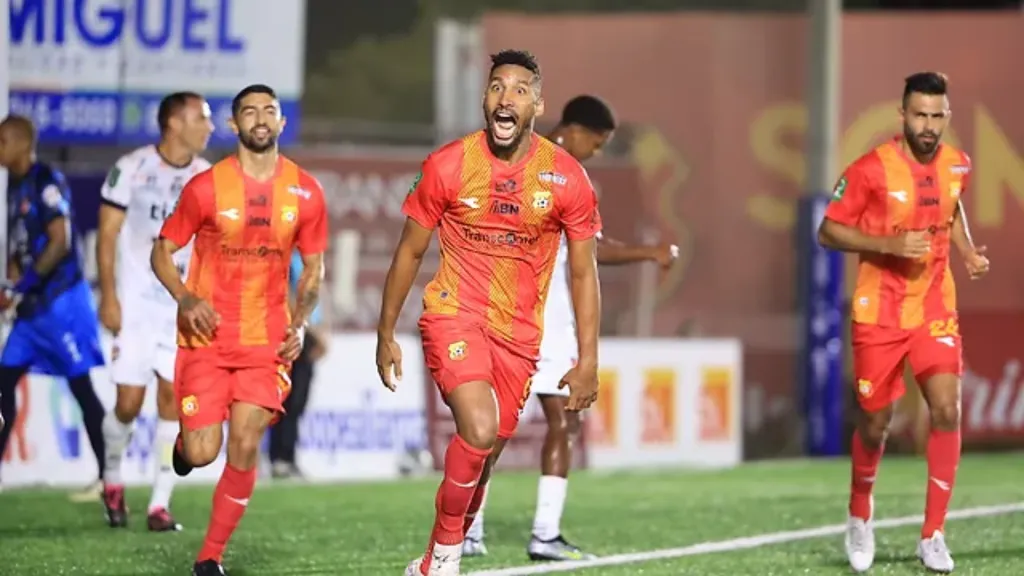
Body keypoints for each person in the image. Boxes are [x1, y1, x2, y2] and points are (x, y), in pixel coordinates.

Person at [375, 49, 603, 576]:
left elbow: (584, 272)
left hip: (520, 337)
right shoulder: (449, 165)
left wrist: (588, 358)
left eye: (520, 90)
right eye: (497, 87)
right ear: (484, 99)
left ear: (538, 105)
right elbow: (409, 251)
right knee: (478, 429)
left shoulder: (565, 177)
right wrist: (386, 331)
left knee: (487, 450)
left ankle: (432, 559)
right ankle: (447, 560)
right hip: (455, 314)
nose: (507, 97)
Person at [462, 95, 677, 561]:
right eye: (596, 143)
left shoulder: (574, 179)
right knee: (494, 430)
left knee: (566, 421)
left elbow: (590, 250)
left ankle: (544, 532)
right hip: (512, 317)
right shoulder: (522, 163)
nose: (596, 152)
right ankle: (468, 526)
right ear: (575, 129)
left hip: (555, 322)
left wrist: (647, 252)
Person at [150, 84, 328, 576]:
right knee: (204, 452)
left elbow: (313, 269)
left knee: (246, 441)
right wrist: (185, 297)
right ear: (234, 126)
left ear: (281, 122)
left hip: (264, 344)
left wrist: (302, 322)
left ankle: (209, 557)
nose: (260, 118)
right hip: (205, 342)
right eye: (249, 112)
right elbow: (161, 251)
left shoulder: (305, 191)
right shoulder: (206, 187)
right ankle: (186, 448)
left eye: (269, 110)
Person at [817, 72, 989, 574]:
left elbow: (952, 210)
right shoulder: (870, 169)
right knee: (876, 423)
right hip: (880, 313)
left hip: (935, 306)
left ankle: (932, 534)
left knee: (948, 410)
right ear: (903, 115)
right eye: (920, 115)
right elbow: (828, 230)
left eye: (938, 116)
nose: (929, 125)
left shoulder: (959, 164)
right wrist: (890, 245)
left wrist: (967, 251)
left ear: (947, 117)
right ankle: (859, 514)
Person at [97, 91, 214, 531]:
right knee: (128, 402)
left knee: (173, 401)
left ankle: (159, 504)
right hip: (136, 302)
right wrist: (109, 296)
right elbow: (106, 236)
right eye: (201, 118)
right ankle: (112, 478)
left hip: (180, 307)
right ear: (174, 123)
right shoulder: (132, 168)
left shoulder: (207, 177)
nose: (209, 126)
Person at [0, 115, 107, 492]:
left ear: (19, 143)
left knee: (80, 387)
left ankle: (108, 477)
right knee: (3, 381)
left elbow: (59, 241)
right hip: (32, 309)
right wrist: (12, 283)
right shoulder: (13, 185)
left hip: (61, 303)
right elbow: (20, 243)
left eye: (2, 142)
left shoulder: (47, 181)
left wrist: (22, 285)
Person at [268, 249, 328, 479]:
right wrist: (311, 331)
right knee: (288, 399)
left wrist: (323, 330)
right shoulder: (288, 258)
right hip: (295, 330)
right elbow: (288, 295)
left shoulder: (310, 258)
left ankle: (288, 457)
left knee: (299, 400)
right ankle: (279, 458)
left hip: (310, 331)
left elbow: (319, 295)